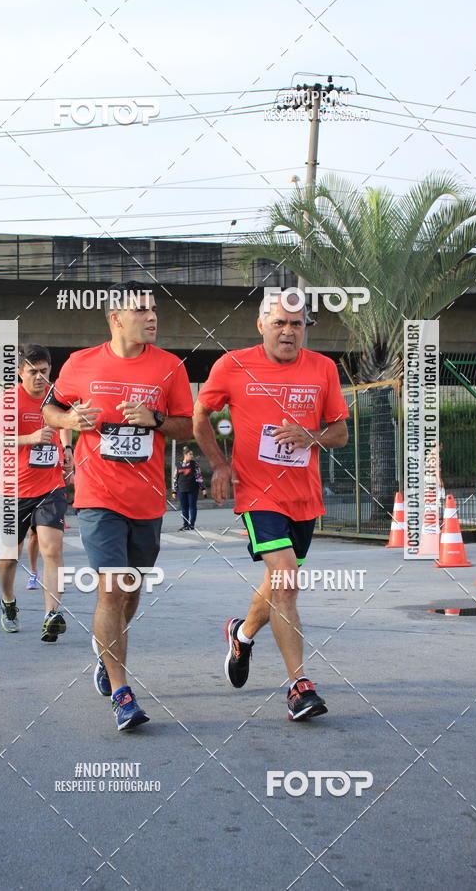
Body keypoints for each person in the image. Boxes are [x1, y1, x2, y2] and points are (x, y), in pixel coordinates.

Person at [43, 280, 193, 731]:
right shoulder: (81, 363)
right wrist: (70, 418)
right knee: (110, 588)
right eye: (142, 310)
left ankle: (104, 652)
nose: (153, 317)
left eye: (155, 310)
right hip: (98, 496)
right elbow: (52, 409)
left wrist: (157, 419)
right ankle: (122, 692)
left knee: (130, 590)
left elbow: (188, 426)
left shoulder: (170, 367)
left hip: (147, 500)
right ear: (116, 318)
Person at [194, 291, 349, 721]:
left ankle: (241, 635)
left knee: (280, 583)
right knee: (286, 581)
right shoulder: (232, 365)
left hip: (304, 497)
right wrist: (219, 464)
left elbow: (339, 433)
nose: (288, 331)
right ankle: (299, 686)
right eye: (280, 322)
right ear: (261, 325)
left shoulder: (323, 369)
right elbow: (199, 414)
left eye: (296, 324)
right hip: (258, 493)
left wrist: (311, 436)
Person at [0, 344, 74, 641]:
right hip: (12, 489)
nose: (39, 377)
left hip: (50, 487)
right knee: (9, 557)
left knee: (52, 549)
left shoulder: (57, 396)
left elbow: (66, 423)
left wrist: (68, 449)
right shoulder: (8, 400)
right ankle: (9, 602)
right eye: (33, 371)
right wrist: (29, 438)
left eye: (44, 371)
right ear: (20, 372)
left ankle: (51, 613)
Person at [172, 446, 206, 530]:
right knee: (184, 508)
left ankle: (192, 525)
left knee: (192, 506)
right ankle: (185, 524)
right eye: (190, 454)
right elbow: (174, 478)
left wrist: (203, 488)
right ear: (185, 455)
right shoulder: (178, 465)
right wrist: (174, 491)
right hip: (181, 489)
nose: (192, 456)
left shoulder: (195, 464)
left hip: (193, 489)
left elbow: (199, 477)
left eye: (192, 454)